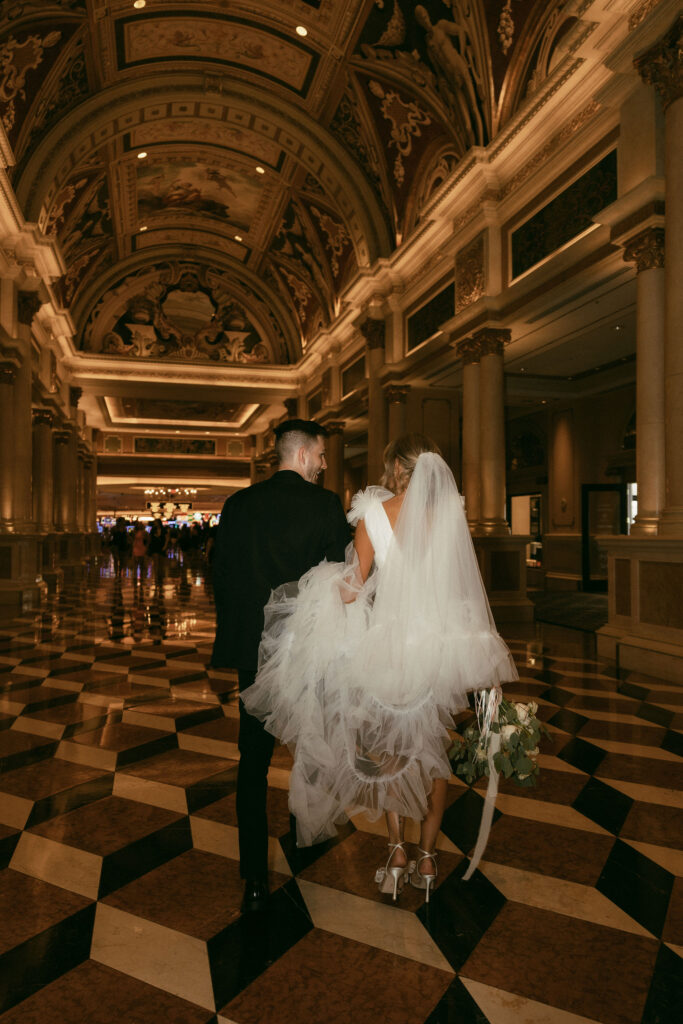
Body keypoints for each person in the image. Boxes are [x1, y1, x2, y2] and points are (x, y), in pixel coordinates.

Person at [243, 433, 518, 903]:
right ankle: (428, 860)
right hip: (443, 646)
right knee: (433, 753)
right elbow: (461, 588)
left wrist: (322, 587)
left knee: (388, 751)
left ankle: (395, 853)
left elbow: (353, 589)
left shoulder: (375, 515)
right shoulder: (448, 517)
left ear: (395, 469)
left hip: (388, 648)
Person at [211, 419, 350, 911]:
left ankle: (253, 877)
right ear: (305, 454)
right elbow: (342, 579)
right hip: (305, 649)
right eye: (322, 455)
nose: (326, 464)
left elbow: (220, 578)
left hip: (254, 651)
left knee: (252, 762)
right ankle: (302, 835)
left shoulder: (238, 504)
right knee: (308, 743)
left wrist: (231, 641)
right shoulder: (326, 505)